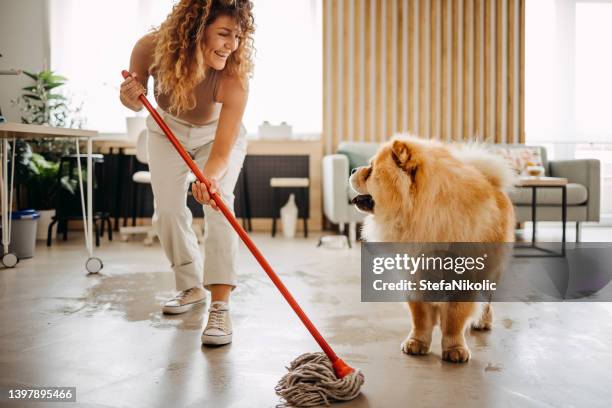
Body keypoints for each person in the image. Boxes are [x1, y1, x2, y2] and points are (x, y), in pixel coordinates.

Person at [119, 0, 254, 346]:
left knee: (220, 203)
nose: (232, 45)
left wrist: (208, 178)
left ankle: (221, 305)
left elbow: (223, 151)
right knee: (167, 210)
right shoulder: (150, 48)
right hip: (166, 130)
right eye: (224, 34)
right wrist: (130, 95)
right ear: (195, 28)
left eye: (238, 36)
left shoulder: (233, 78)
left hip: (215, 137)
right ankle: (190, 286)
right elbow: (135, 100)